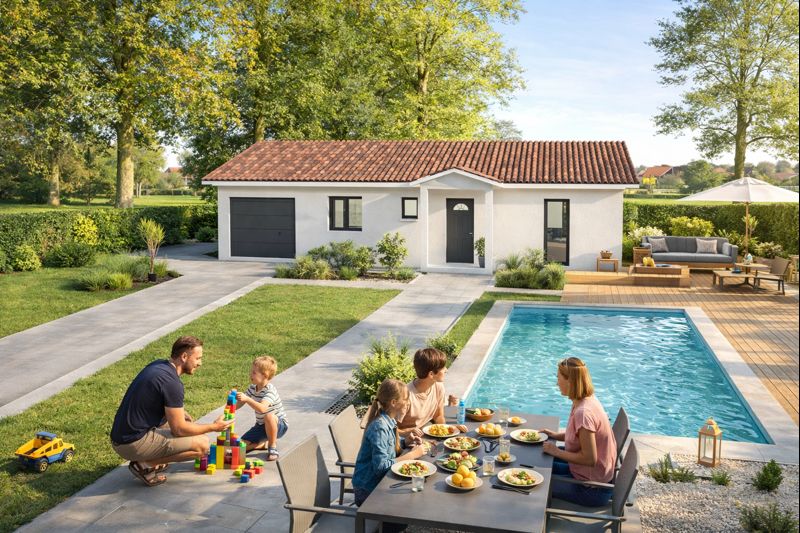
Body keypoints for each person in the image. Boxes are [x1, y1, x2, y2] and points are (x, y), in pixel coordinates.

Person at [111, 336, 233, 487]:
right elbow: (179, 429)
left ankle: (148, 459)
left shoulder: (160, 366)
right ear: (184, 356)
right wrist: (214, 427)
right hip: (131, 443)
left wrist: (184, 417)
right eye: (198, 358)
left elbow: (161, 401)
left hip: (123, 436)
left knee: (189, 423)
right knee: (203, 444)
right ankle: (145, 464)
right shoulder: (172, 383)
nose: (200, 363)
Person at [540, 356, 617, 507]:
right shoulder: (586, 400)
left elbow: (590, 458)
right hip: (586, 475)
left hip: (591, 489)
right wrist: (556, 436)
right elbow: (580, 437)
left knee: (537, 484)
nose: (557, 383)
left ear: (570, 381)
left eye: (558, 378)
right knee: (537, 462)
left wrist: (556, 451)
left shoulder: (584, 412)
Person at [352, 379, 426, 510]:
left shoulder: (388, 420)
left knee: (411, 500)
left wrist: (405, 442)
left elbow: (387, 449)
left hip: (379, 483)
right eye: (405, 399)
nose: (408, 402)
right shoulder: (379, 427)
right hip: (367, 491)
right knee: (407, 507)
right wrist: (412, 455)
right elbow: (380, 467)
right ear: (394, 403)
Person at [397, 348, 467, 438]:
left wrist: (449, 429)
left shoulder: (438, 387)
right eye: (442, 368)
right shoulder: (405, 396)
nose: (446, 370)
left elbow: (438, 416)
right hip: (408, 440)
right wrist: (408, 432)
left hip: (427, 432)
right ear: (431, 374)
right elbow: (390, 429)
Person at [234, 355, 288, 460]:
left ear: (265, 375)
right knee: (240, 446)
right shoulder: (252, 388)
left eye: (254, 372)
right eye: (251, 371)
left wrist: (247, 399)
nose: (251, 374)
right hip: (261, 426)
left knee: (269, 416)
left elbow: (262, 408)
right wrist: (232, 401)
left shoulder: (270, 390)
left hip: (279, 425)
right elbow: (238, 405)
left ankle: (272, 447)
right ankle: (262, 444)